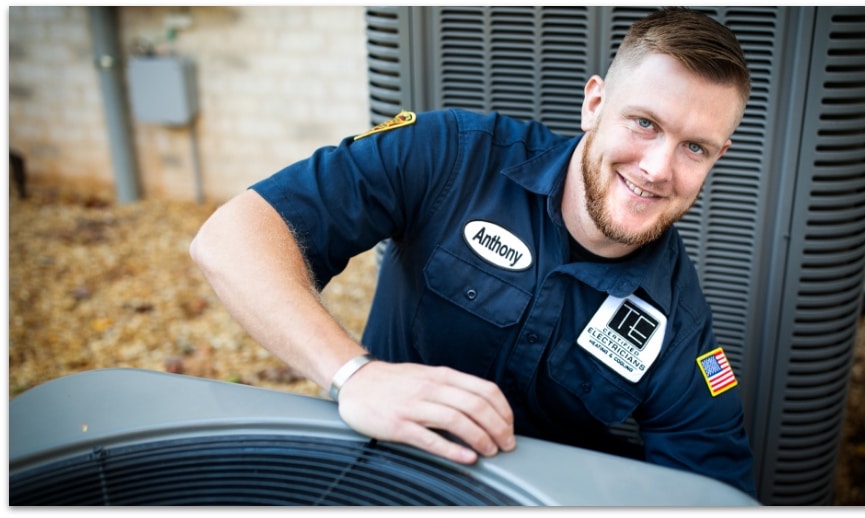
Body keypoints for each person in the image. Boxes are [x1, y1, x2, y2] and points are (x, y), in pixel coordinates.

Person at [190, 7, 756, 498]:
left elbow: (714, 494)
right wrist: (354, 375)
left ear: (718, 156)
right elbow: (231, 237)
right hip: (373, 480)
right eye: (643, 122)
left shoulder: (680, 328)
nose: (659, 168)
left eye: (695, 148)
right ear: (594, 103)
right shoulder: (450, 156)